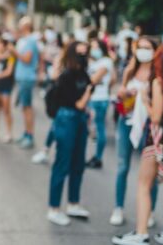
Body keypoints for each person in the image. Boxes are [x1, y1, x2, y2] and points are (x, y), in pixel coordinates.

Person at [113, 43, 163, 245]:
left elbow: (156, 117)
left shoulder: (160, 83)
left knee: (143, 184)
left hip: (159, 141)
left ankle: (141, 233)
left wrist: (145, 101)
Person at [109, 36, 159, 227]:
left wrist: (143, 97)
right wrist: (123, 94)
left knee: (150, 171)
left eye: (148, 48)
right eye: (141, 47)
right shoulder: (130, 70)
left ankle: (150, 211)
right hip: (126, 120)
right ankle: (118, 208)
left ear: (155, 51)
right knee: (122, 167)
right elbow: (120, 93)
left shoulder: (157, 74)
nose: (143, 51)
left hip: (149, 124)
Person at [46, 41, 93, 226]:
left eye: (85, 52)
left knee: (78, 163)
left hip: (79, 119)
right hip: (67, 119)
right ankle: (54, 208)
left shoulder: (83, 73)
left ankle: (73, 203)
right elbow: (80, 103)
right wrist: (88, 93)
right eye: (80, 52)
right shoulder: (66, 76)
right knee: (62, 163)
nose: (84, 55)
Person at [10, 16, 40, 149]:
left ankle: (30, 135)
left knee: (27, 107)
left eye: (21, 24)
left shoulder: (31, 41)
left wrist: (14, 52)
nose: (19, 26)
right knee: (24, 107)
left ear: (27, 26)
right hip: (22, 77)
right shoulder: (23, 40)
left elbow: (27, 59)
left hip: (27, 78)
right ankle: (26, 132)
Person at [86, 38, 115, 168]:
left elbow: (93, 79)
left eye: (95, 46)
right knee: (96, 127)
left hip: (99, 99)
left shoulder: (106, 61)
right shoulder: (95, 62)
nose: (93, 49)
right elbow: (113, 78)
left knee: (99, 128)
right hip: (95, 97)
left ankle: (98, 157)